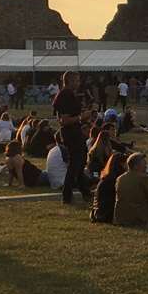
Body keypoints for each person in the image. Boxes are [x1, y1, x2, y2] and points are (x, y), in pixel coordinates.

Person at [52, 71, 89, 206]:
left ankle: (85, 192)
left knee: (79, 163)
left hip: (73, 131)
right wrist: (81, 117)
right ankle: (67, 195)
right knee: (75, 164)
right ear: (70, 81)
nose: (79, 83)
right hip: (71, 133)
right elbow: (64, 120)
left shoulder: (66, 95)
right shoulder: (65, 95)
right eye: (77, 81)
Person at [90, 152, 125, 223]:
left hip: (98, 213)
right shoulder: (118, 179)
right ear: (121, 164)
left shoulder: (105, 177)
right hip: (108, 215)